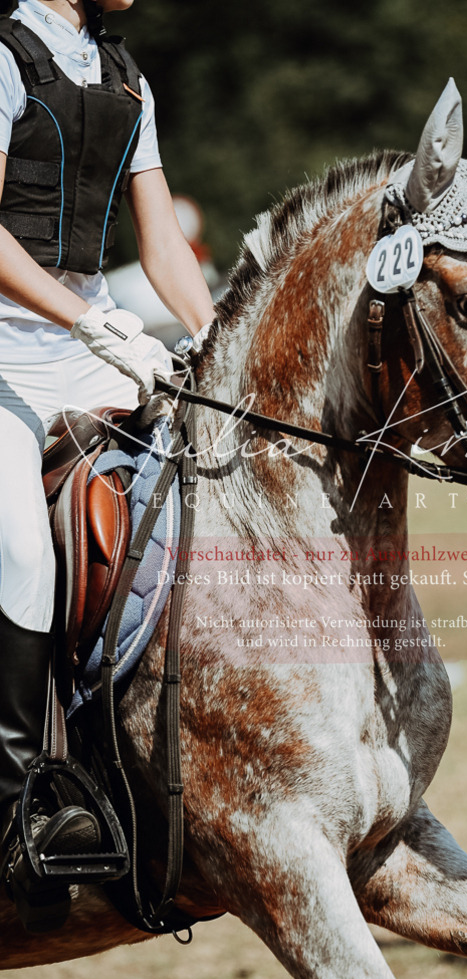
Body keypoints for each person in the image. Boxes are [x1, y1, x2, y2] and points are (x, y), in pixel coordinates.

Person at [0, 0, 215, 910]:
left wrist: (213, 345)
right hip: (6, 354)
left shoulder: (124, 72)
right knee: (20, 549)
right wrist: (90, 320)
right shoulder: (3, 53)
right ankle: (21, 807)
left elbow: (161, 239)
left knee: (187, 502)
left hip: (89, 348)